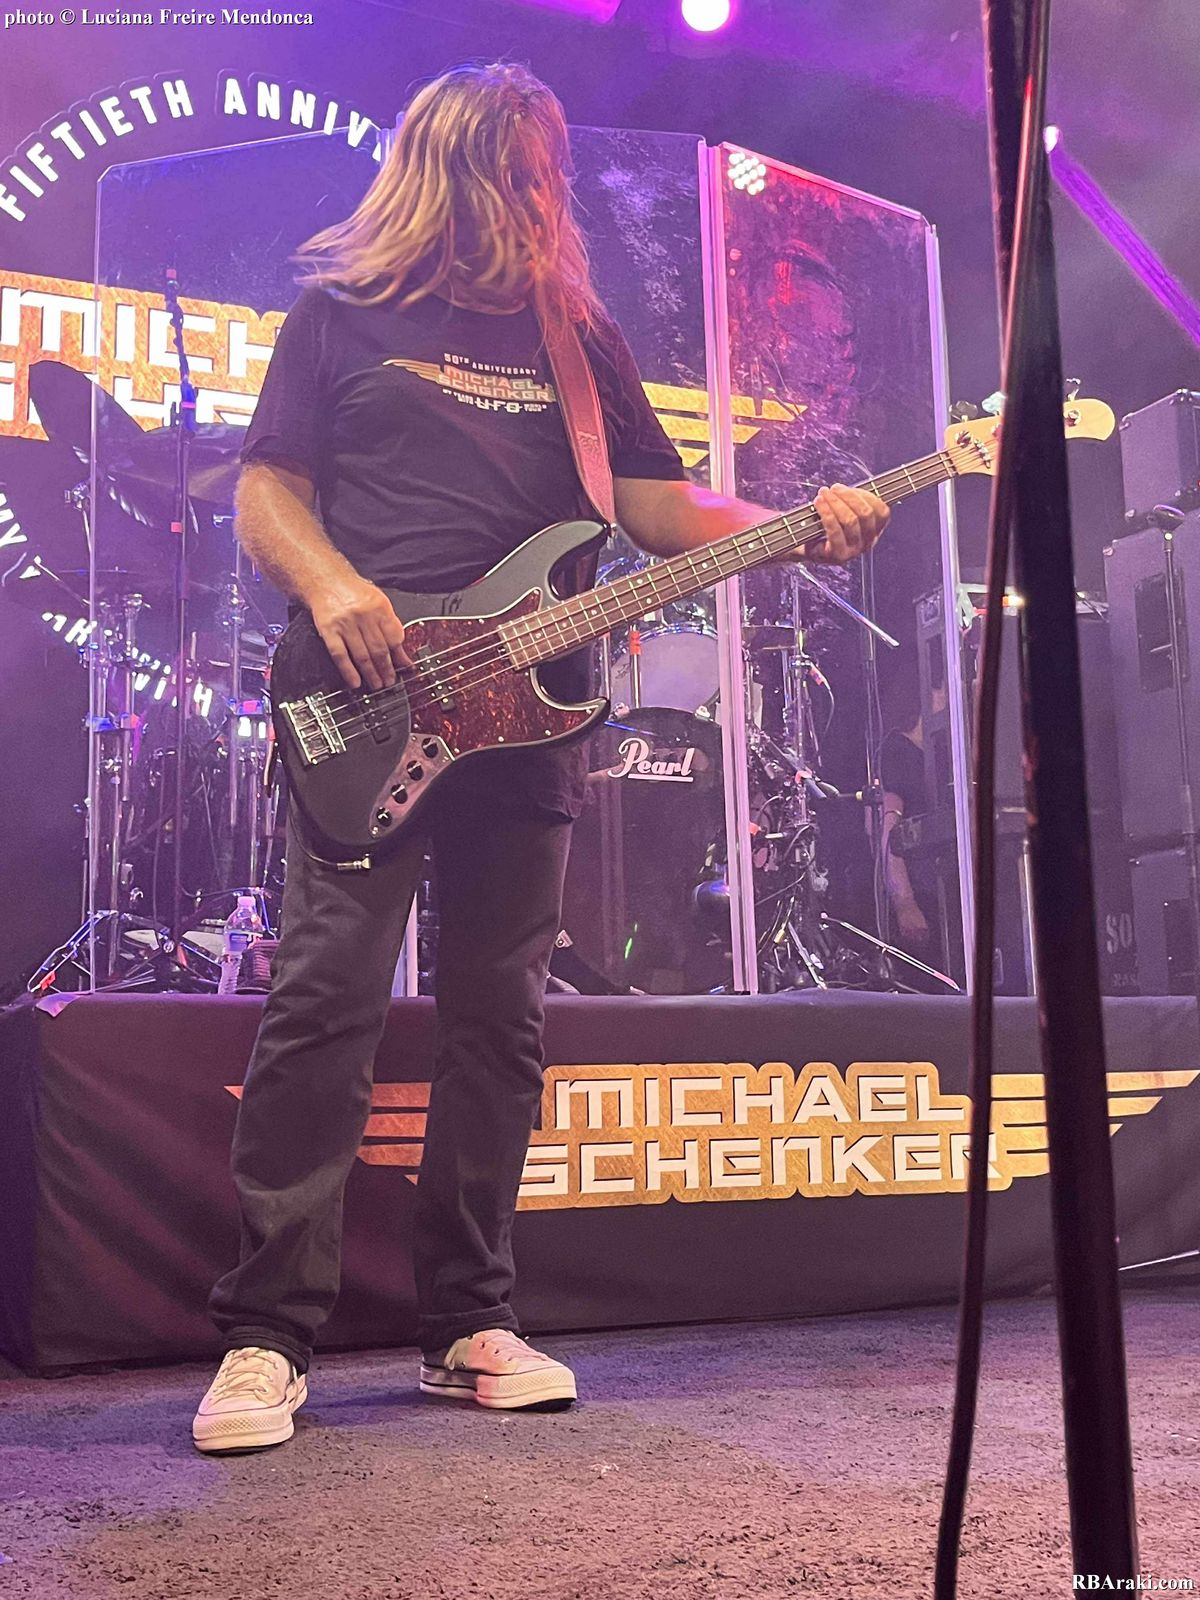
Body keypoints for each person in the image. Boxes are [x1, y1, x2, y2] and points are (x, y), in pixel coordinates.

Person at [192, 61, 890, 1454]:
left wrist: (795, 525)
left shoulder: (576, 338)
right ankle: (267, 1336)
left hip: (532, 721)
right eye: (503, 168)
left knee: (499, 1019)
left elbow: (655, 508)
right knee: (325, 1000)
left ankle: (467, 1322)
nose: (527, 196)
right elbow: (267, 490)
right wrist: (333, 586)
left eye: (538, 172)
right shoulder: (341, 314)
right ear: (437, 167)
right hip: (370, 700)